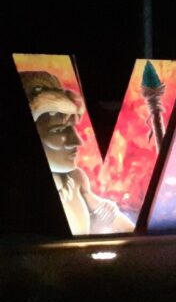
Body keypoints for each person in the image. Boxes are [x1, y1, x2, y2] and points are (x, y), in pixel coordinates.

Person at [20, 71, 135, 235]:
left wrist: (102, 219)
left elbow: (129, 233)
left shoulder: (75, 178)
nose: (77, 141)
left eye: (72, 129)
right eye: (59, 130)